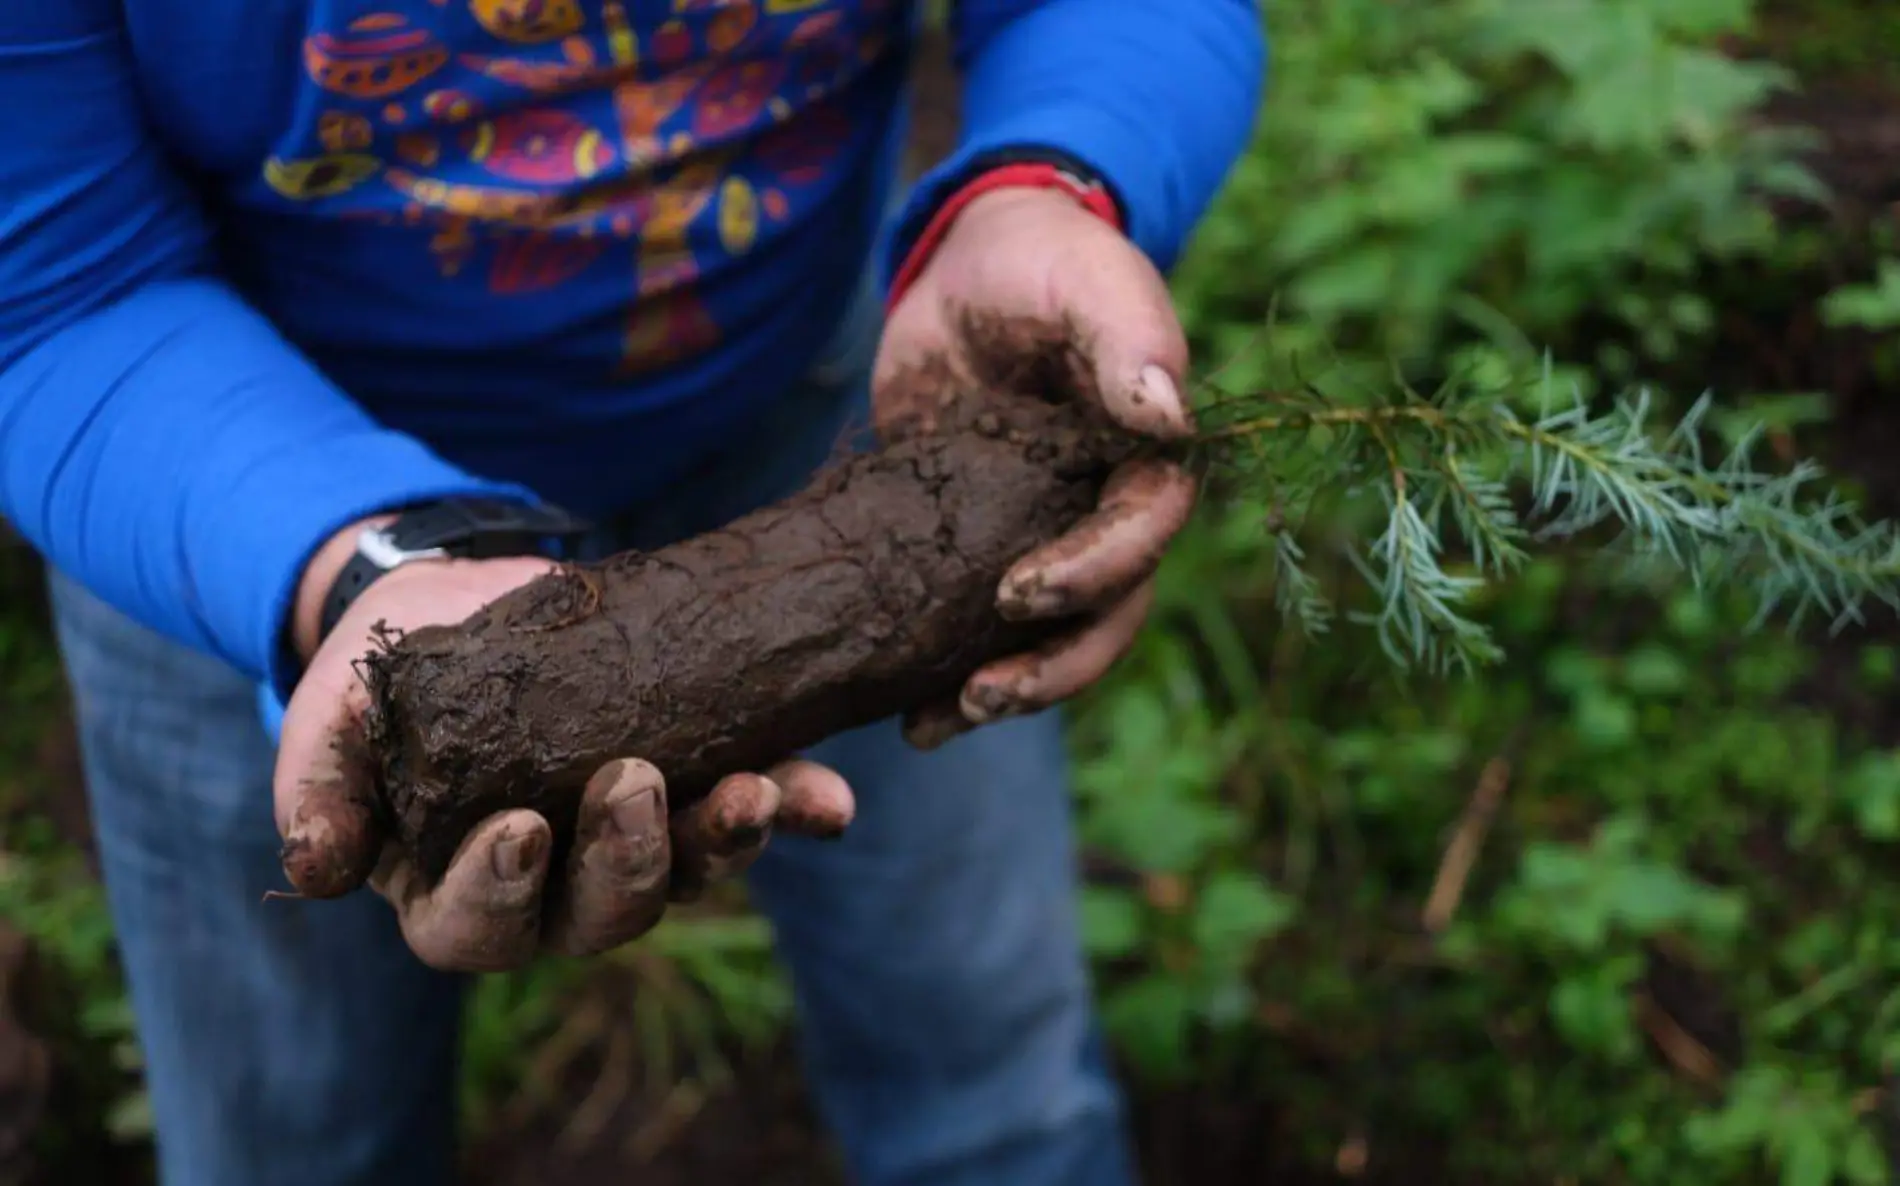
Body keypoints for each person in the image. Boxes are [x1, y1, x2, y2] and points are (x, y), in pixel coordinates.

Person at [0, 1, 1264, 1182]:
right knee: (296, 1138)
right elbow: (49, 293)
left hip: (853, 428)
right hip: (226, 502)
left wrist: (1047, 180)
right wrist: (344, 558)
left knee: (996, 1089)